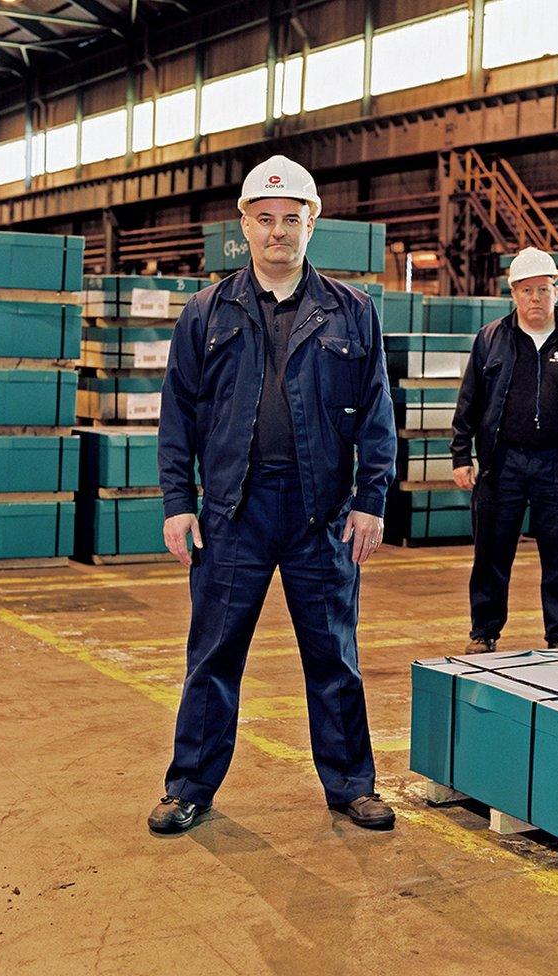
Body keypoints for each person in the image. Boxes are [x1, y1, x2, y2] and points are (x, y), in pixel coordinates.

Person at [149, 155, 397, 834]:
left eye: (291, 218)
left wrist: (371, 500)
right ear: (245, 226)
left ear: (312, 222)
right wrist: (178, 503)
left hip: (323, 515)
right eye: (265, 219)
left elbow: (378, 415)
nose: (277, 231)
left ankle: (351, 785)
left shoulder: (352, 313)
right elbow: (179, 416)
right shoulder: (207, 312)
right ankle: (190, 786)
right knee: (214, 656)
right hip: (234, 511)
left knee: (334, 657)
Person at [451, 247, 558, 653]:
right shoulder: (491, 339)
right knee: (491, 554)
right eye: (526, 290)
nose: (535, 298)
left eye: (543, 289)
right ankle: (484, 632)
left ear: (556, 291)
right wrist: (460, 455)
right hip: (501, 464)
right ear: (513, 294)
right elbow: (468, 401)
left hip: (557, 465)